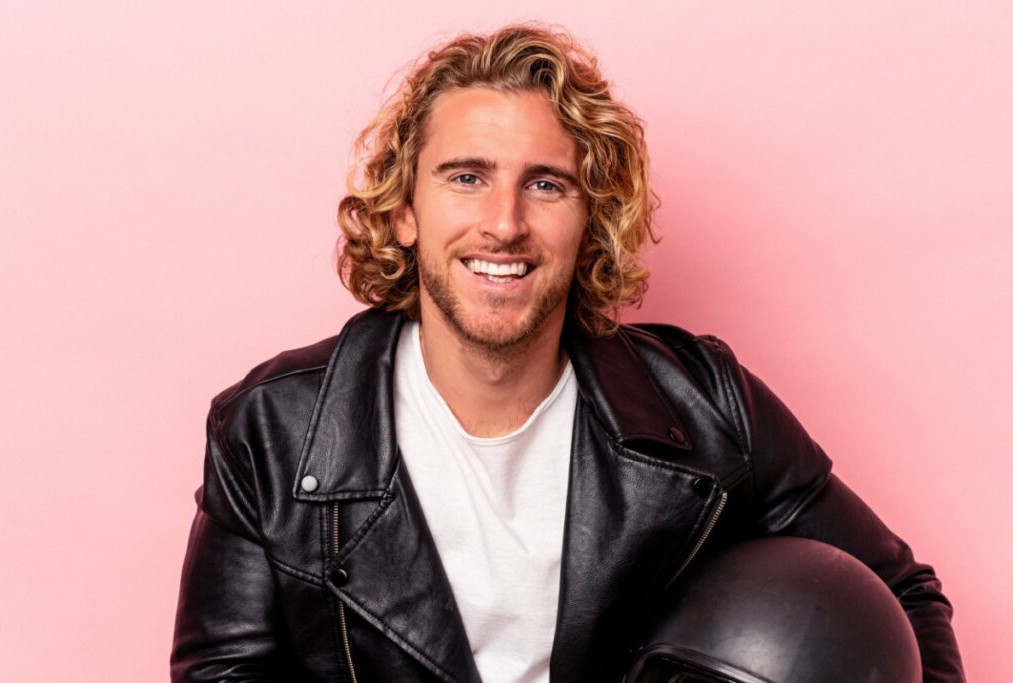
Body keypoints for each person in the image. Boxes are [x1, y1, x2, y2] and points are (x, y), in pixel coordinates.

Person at [171, 24, 964, 683]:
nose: (504, 223)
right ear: (406, 209)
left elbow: (901, 596)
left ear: (591, 220)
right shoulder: (272, 431)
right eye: (466, 176)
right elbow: (222, 673)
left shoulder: (707, 406)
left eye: (547, 184)